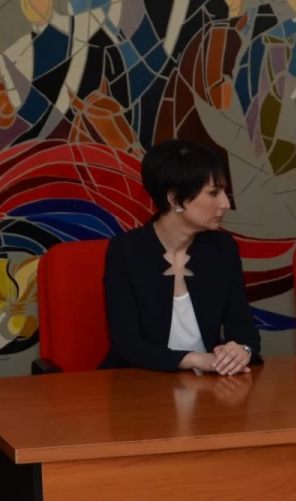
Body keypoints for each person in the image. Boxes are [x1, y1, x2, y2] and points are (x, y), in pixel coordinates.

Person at [102, 140, 260, 373]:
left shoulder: (223, 248)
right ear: (175, 199)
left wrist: (242, 351)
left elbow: (244, 328)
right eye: (214, 193)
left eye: (224, 192)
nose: (226, 203)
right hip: (141, 386)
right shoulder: (126, 251)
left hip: (210, 388)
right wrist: (195, 359)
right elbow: (128, 345)